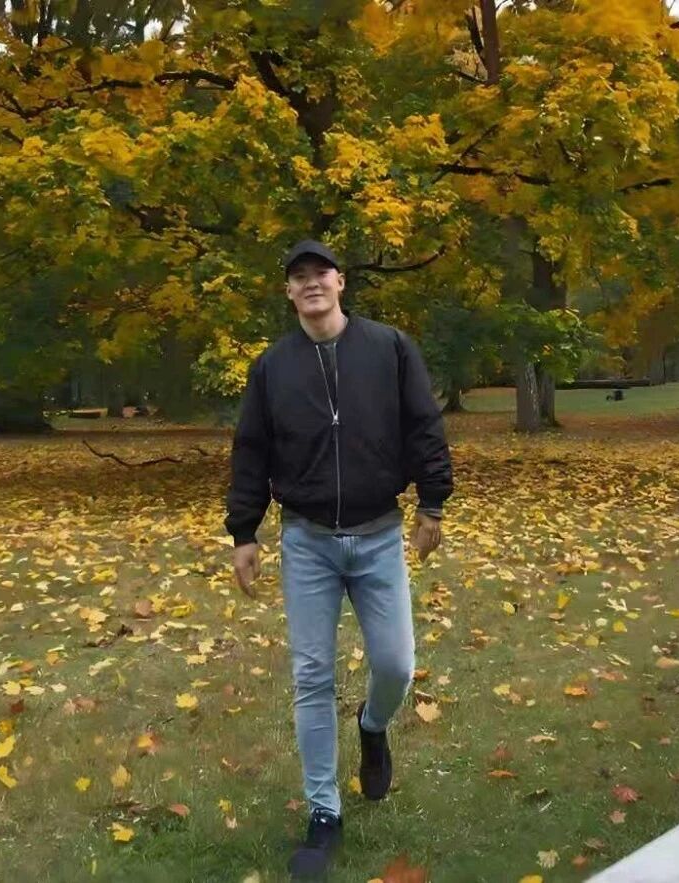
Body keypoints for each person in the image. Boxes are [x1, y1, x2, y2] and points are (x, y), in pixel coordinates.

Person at [225, 239, 454, 881]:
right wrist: (244, 531)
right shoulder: (272, 368)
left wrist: (432, 501)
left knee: (396, 664)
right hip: (308, 543)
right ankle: (323, 813)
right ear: (288, 292)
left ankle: (373, 725)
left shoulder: (390, 348)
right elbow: (251, 449)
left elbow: (423, 425)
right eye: (298, 277)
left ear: (340, 281)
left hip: (379, 535)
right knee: (312, 677)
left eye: (320, 273)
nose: (311, 283)